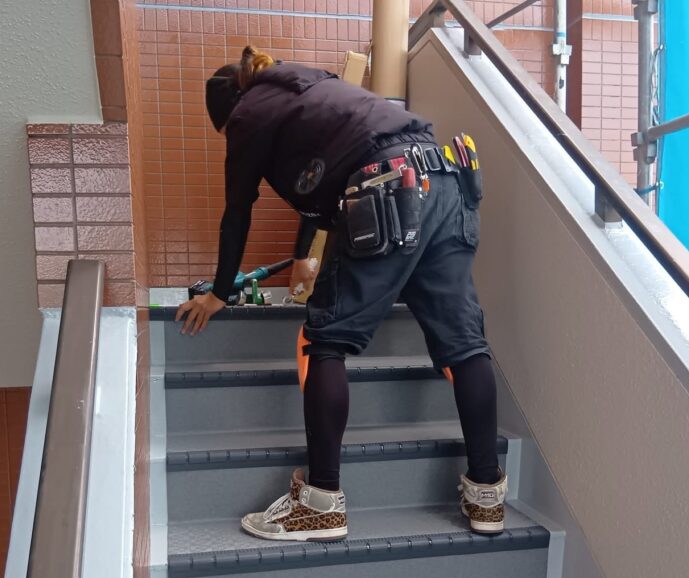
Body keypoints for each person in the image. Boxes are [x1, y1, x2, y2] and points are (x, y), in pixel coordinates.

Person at [176, 46, 506, 541]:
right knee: (464, 344)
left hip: (389, 187)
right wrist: (305, 258)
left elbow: (238, 210)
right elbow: (323, 184)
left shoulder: (248, 114)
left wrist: (220, 293)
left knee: (324, 341)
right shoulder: (310, 86)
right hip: (445, 182)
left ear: (229, 112)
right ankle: (487, 494)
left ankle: (320, 502)